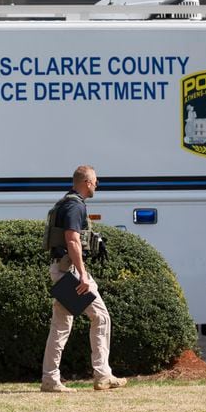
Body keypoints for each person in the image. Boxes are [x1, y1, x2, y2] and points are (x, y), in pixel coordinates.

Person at [41, 165, 127, 392]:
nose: (97, 185)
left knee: (60, 326)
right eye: (95, 181)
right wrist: (82, 275)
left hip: (61, 270)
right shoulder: (74, 205)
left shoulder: (66, 202)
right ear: (87, 182)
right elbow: (72, 240)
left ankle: (50, 379)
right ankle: (102, 374)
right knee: (101, 317)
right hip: (70, 272)